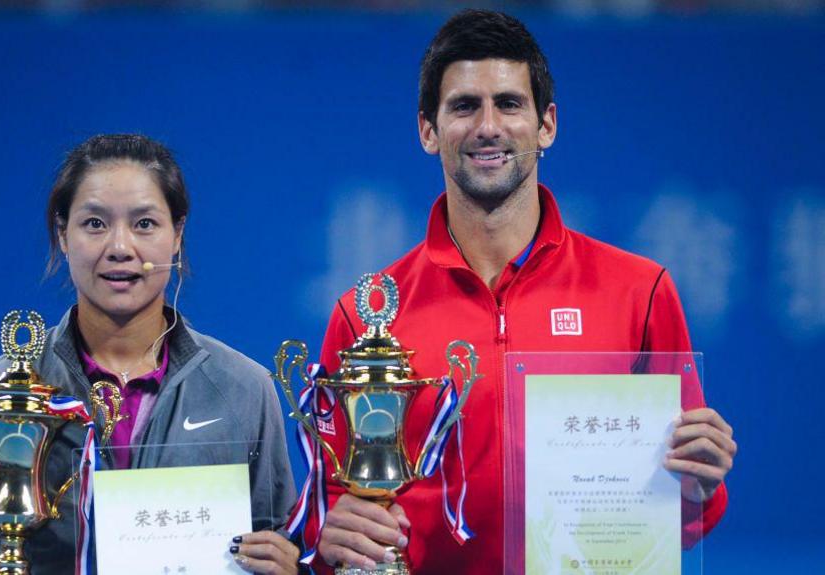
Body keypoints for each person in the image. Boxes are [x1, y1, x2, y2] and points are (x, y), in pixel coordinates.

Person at [307, 10, 737, 574]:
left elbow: (685, 515)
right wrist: (329, 532)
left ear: (546, 125)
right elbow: (327, 509)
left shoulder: (640, 291)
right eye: (464, 106)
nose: (488, 126)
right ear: (428, 131)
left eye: (509, 103)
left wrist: (700, 480)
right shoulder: (369, 315)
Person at [0, 134, 300, 575]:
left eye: (145, 224)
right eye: (94, 223)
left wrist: (288, 566)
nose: (119, 246)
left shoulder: (243, 388)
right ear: (63, 234)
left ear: (177, 235)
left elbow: (276, 539)